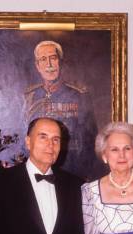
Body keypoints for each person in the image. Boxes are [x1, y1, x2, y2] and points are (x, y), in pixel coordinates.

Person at [23, 40, 105, 181]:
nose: (49, 64)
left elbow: (90, 140)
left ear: (60, 62)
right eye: (43, 59)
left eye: (53, 58)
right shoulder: (29, 96)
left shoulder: (79, 95)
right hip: (37, 170)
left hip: (73, 170)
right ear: (37, 66)